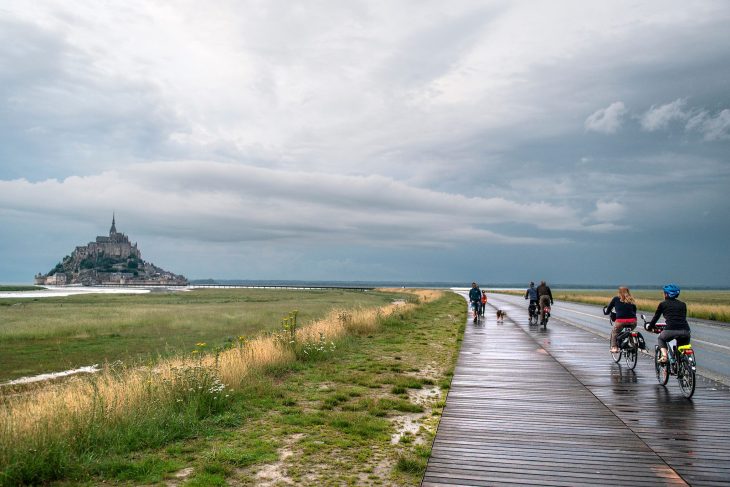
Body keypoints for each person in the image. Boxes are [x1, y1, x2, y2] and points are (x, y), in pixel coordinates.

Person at [647, 284, 690, 363]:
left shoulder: (663, 304)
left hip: (670, 329)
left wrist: (650, 327)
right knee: (682, 349)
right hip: (685, 330)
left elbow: (656, 317)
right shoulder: (683, 304)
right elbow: (682, 318)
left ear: (666, 294)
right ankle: (683, 364)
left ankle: (664, 356)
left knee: (661, 338)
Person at [603, 287, 637, 353]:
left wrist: (606, 312)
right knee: (630, 332)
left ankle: (614, 347)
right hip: (633, 321)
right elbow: (634, 311)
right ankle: (632, 344)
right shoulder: (631, 300)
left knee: (615, 332)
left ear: (619, 292)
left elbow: (609, 308)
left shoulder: (616, 299)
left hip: (620, 321)